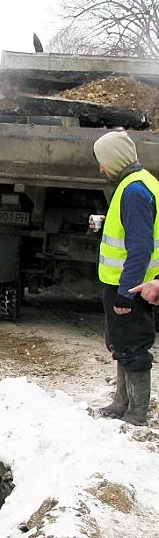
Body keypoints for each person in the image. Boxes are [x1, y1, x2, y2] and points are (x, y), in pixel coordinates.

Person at [93, 129, 159, 425]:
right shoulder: (139, 184)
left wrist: (125, 292)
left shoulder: (134, 191)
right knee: (121, 342)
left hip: (132, 284)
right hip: (131, 281)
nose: (100, 168)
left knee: (133, 346)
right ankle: (122, 402)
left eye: (103, 161)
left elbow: (141, 246)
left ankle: (136, 412)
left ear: (115, 160)